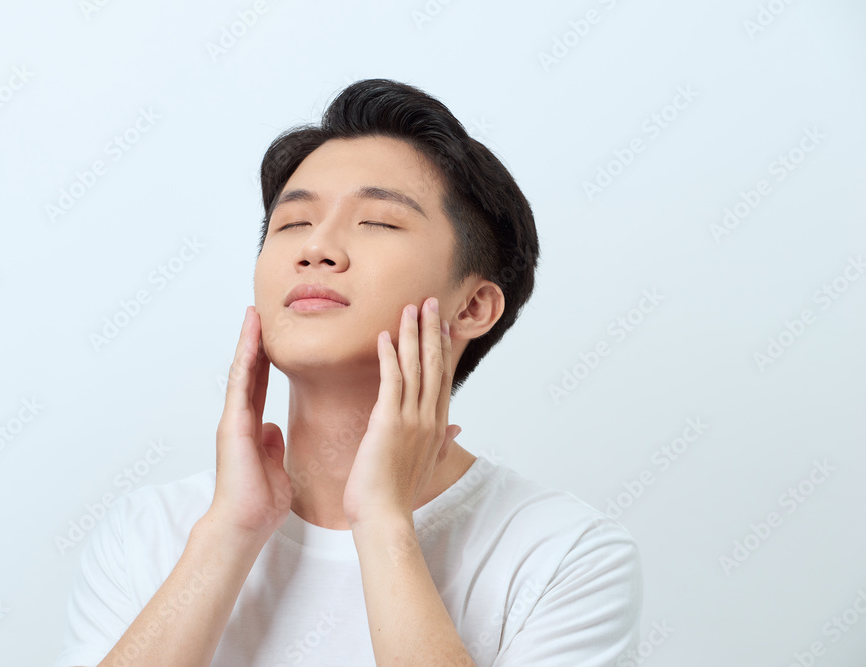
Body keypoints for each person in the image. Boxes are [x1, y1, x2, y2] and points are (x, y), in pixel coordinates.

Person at [53, 78, 643, 667]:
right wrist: (232, 532)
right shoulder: (150, 533)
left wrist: (385, 524)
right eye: (292, 224)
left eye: (377, 222)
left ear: (471, 308)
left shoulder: (563, 555)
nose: (316, 249)